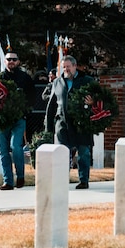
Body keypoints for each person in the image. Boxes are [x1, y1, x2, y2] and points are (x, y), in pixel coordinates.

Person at [44, 54, 96, 189]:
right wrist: (48, 128)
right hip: (62, 124)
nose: (66, 69)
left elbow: (100, 100)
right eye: (64, 67)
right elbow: (51, 106)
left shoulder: (88, 81)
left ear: (75, 66)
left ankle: (83, 180)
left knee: (83, 152)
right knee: (62, 153)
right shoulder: (57, 82)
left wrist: (93, 102)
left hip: (81, 123)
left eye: (68, 67)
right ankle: (61, 180)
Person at [0, 49, 40, 191]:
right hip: (2, 120)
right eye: (9, 59)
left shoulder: (25, 78)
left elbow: (32, 97)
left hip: (18, 119)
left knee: (16, 146)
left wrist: (25, 112)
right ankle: (8, 181)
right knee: (3, 151)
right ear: (5, 61)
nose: (11, 62)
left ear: (18, 62)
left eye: (14, 59)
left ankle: (20, 176)